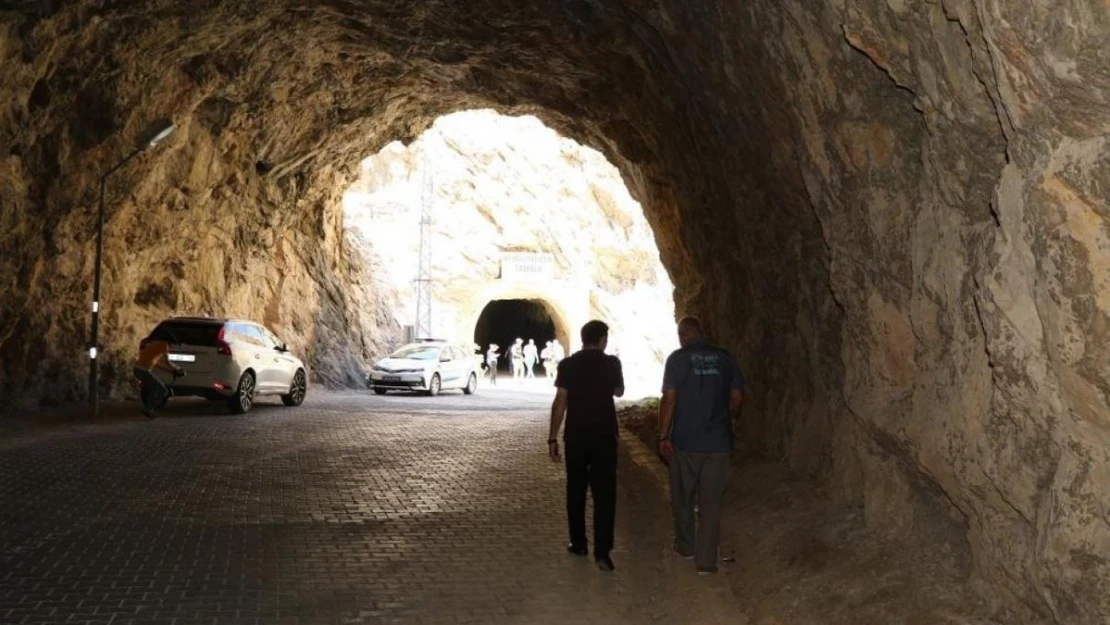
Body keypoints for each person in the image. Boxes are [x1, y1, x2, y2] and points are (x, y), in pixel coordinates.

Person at [657, 317, 743, 575]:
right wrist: (730, 419)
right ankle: (706, 563)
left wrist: (663, 435)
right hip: (718, 443)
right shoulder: (726, 358)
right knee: (711, 503)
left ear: (683, 336)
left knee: (682, 496)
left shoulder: (677, 359)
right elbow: (737, 397)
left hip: (685, 443)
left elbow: (670, 399)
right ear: (702, 332)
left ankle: (686, 547)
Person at [548, 320, 625, 572]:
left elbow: (560, 402)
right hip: (604, 436)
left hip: (576, 436)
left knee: (576, 490)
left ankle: (578, 543)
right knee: (605, 494)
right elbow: (619, 392)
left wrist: (552, 437)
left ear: (582, 339)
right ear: (602, 339)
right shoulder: (612, 363)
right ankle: (603, 553)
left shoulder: (568, 365)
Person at [134, 333, 184, 419]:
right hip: (143, 371)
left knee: (154, 389)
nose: (171, 347)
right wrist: (177, 369)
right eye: (171, 345)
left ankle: (149, 409)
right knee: (163, 390)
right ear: (169, 342)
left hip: (139, 369)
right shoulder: (164, 346)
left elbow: (158, 364)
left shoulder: (154, 345)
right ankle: (148, 409)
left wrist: (172, 370)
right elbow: (168, 363)